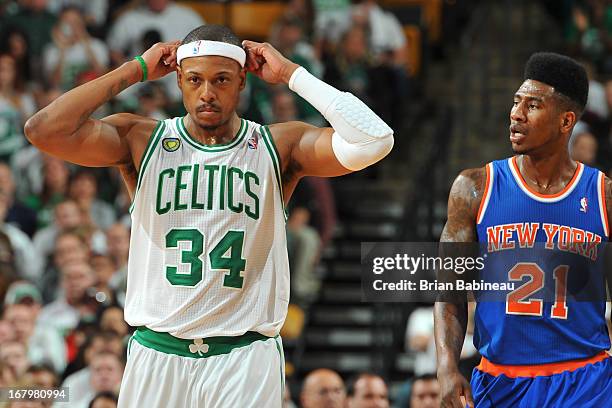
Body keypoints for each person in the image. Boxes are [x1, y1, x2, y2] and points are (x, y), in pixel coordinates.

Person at [25, 23, 393, 407]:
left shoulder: (279, 145)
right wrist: (135, 68)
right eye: (195, 79)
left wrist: (292, 74)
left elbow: (375, 140)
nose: (207, 93)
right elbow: (43, 129)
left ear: (242, 81)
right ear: (178, 79)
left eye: (221, 80)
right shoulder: (141, 139)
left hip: (244, 355)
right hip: (158, 351)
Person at [434, 52, 612, 407]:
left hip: (587, 382)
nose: (516, 113)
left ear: (566, 121)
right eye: (516, 102)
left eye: (533, 105)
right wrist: (446, 366)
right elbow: (449, 291)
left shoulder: (603, 195)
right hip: (501, 382)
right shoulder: (474, 187)